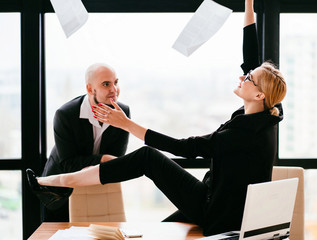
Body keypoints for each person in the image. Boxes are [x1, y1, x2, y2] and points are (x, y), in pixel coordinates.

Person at [28, 0, 286, 235]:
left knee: (147, 157)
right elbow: (251, 56)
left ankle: (55, 181)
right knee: (160, 230)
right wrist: (249, 4)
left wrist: (126, 124)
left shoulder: (242, 134)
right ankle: (54, 181)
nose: (243, 76)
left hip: (217, 213)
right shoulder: (268, 114)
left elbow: (183, 147)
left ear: (259, 95)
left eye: (249, 79)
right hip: (215, 200)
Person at [30, 63, 130, 222]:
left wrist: (107, 162)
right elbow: (68, 164)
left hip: (97, 188)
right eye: (106, 84)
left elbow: (115, 161)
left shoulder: (122, 113)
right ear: (90, 89)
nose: (114, 89)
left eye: (116, 82)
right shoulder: (65, 115)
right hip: (61, 191)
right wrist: (102, 159)